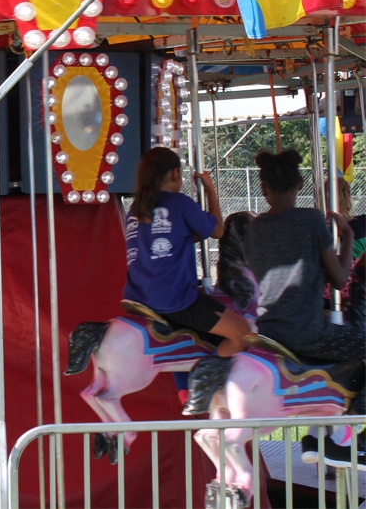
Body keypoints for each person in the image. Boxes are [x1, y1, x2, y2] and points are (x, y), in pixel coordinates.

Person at [244, 149, 363, 468]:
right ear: (299, 183)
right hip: (308, 330)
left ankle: (312, 436)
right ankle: (345, 435)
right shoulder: (311, 219)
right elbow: (339, 280)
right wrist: (348, 236)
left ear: (263, 188)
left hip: (267, 331)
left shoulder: (254, 227)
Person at [123, 147, 250, 357]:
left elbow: (180, 238)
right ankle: (206, 384)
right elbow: (218, 231)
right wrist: (209, 188)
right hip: (174, 298)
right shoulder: (179, 203)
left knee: (222, 320)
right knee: (242, 333)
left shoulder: (136, 208)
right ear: (175, 173)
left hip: (140, 294)